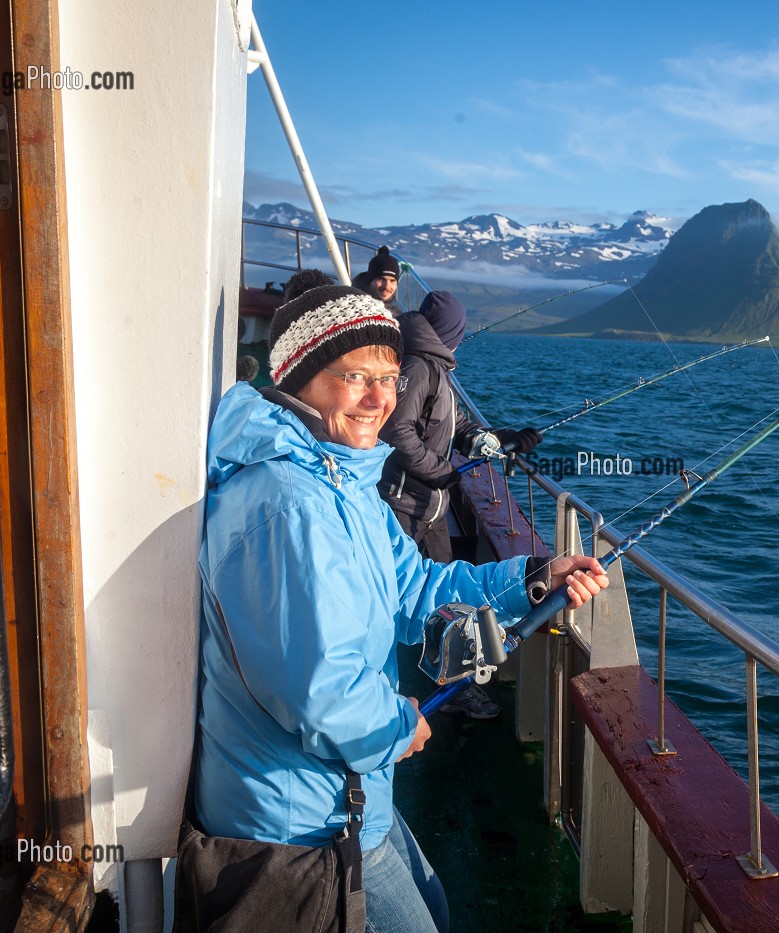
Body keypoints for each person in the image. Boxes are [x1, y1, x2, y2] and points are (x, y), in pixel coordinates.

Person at [194, 274, 606, 933]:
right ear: (301, 376)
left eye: (389, 377)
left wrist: (534, 576)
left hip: (347, 797)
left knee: (435, 907)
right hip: (298, 825)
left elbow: (417, 586)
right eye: (357, 376)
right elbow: (322, 696)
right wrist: (398, 725)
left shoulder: (343, 480)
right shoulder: (288, 507)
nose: (382, 398)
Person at [378, 290, 542, 719]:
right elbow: (397, 431)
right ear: (452, 332)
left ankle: (448, 684)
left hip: (428, 506)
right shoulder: (420, 366)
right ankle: (439, 688)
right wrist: (439, 471)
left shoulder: (435, 367)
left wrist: (498, 437)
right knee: (431, 602)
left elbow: (454, 425)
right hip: (405, 505)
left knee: (443, 598)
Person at [352, 244, 406, 315]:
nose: (387, 286)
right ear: (370, 280)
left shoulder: (397, 314)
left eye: (392, 280)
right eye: (381, 279)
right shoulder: (353, 307)